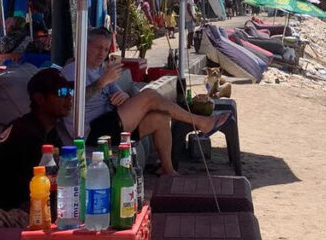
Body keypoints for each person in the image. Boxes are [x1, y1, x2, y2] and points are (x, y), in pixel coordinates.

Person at [64, 27, 230, 175]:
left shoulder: (101, 70)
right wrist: (102, 82)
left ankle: (167, 169)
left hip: (110, 122)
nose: (102, 53)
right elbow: (70, 101)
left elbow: (121, 94)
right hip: (90, 131)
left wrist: (124, 96)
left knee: (160, 118)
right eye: (98, 48)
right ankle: (199, 122)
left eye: (106, 49)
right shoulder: (74, 70)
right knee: (149, 95)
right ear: (86, 46)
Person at [0, 66, 73, 212]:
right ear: (40, 99)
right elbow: (38, 190)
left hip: (19, 205)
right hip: (2, 213)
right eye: (62, 92)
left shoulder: (46, 128)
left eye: (70, 91)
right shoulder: (26, 135)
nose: (69, 97)